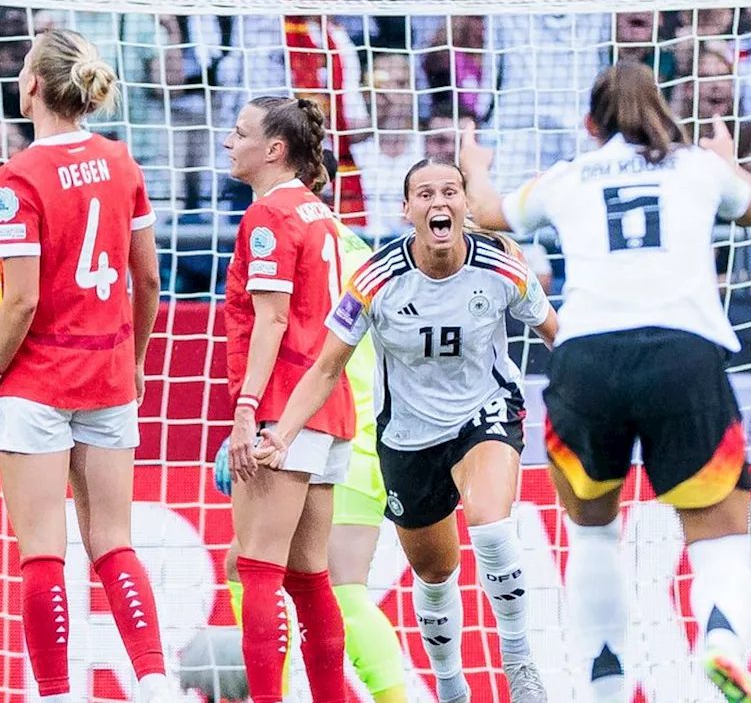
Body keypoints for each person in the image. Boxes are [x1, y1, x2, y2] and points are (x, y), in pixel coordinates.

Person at [459, 61, 751, 703]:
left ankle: (606, 683)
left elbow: (488, 213)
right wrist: (728, 159)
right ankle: (720, 647)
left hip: (585, 358)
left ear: (589, 123)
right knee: (719, 535)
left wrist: (474, 162)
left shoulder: (570, 176)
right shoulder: (695, 166)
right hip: (682, 354)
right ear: (662, 112)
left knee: (594, 532)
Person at [251, 158, 559, 703]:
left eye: (450, 192)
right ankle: (450, 687)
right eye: (425, 194)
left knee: (490, 526)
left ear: (465, 204)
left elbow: (558, 334)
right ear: (407, 209)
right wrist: (283, 432)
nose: (438, 202)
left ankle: (519, 662)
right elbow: (326, 367)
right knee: (435, 573)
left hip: (484, 412)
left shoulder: (504, 267)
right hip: (409, 437)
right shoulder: (374, 280)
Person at [0, 29, 168, 703]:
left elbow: (19, 300)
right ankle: (155, 683)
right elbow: (149, 283)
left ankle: (57, 694)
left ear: (31, 87)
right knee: (114, 542)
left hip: (39, 382)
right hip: (109, 376)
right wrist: (134, 361)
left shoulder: (18, 177)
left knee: (44, 551)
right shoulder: (121, 162)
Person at [211, 152, 408, 703]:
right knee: (277, 569)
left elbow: (282, 334)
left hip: (320, 421)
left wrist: (251, 413)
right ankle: (279, 688)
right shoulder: (348, 245)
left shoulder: (285, 231)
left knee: (320, 580)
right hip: (347, 422)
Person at [220, 95, 354, 703]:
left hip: (281, 406)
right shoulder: (322, 215)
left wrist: (247, 410)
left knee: (258, 570)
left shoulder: (269, 217)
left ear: (274, 150)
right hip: (326, 408)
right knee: (309, 578)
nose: (229, 140)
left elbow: (271, 321)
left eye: (239, 132)